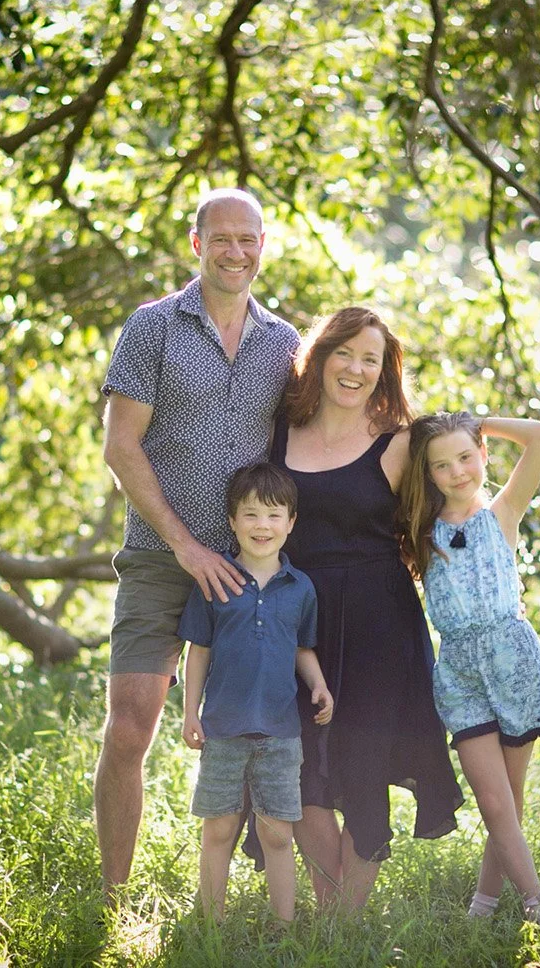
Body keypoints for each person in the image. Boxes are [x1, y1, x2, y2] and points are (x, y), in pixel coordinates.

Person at [95, 188, 300, 907]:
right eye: (222, 239)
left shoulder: (284, 344)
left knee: (249, 736)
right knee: (130, 729)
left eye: (248, 240)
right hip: (160, 557)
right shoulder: (152, 327)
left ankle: (235, 891)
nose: (235, 252)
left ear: (262, 246)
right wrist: (184, 546)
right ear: (197, 244)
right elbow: (121, 448)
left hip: (249, 570)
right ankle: (114, 899)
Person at [253, 307, 464, 910]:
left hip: (380, 624)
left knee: (364, 770)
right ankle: (331, 916)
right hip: (297, 623)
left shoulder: (401, 444)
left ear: (384, 370)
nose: (355, 368)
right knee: (299, 775)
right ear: (318, 358)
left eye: (371, 359)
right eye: (344, 352)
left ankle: (341, 928)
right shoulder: (277, 433)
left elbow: (456, 501)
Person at [398, 410, 540, 930]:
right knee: (493, 800)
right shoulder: (418, 532)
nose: (457, 472)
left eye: (466, 457)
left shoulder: (502, 513)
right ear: (427, 474)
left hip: (514, 663)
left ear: (483, 454)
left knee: (510, 800)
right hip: (460, 674)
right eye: (441, 465)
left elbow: (539, 436)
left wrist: (477, 423)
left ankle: (484, 904)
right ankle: (539, 907)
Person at [180, 462, 334, 922]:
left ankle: (284, 927)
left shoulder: (300, 588)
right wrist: (190, 712)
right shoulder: (216, 580)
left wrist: (319, 684)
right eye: (250, 514)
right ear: (232, 521)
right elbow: (199, 650)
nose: (261, 525)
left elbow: (301, 648)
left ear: (290, 522)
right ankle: (212, 926)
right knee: (218, 831)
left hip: (281, 734)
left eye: (273, 515)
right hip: (223, 729)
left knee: (277, 836)